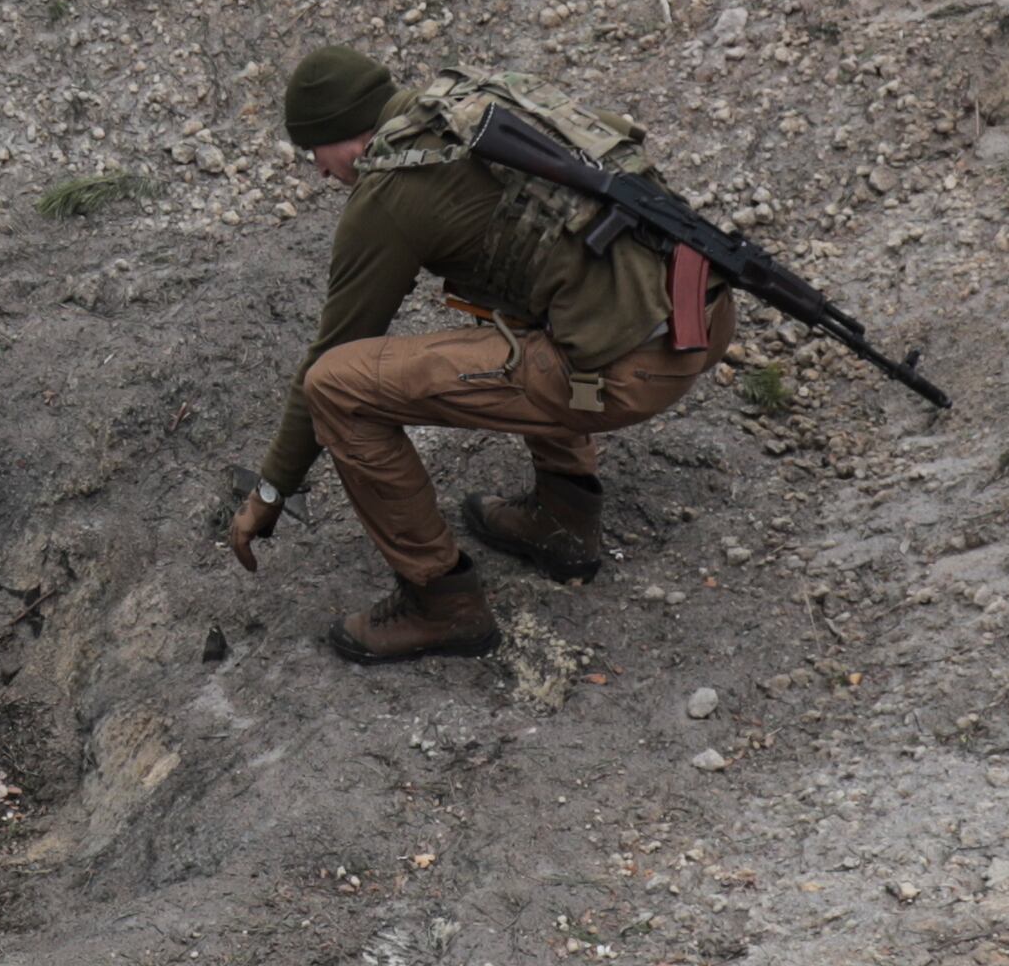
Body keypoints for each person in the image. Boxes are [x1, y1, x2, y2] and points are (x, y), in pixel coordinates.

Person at [221, 43, 739, 661]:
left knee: (336, 385)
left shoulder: (390, 190)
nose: (318, 171)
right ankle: (563, 519)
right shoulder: (478, 102)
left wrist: (271, 492)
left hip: (631, 368)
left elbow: (330, 353)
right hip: (701, 313)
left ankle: (442, 605)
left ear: (347, 136)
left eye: (317, 152)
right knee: (514, 284)